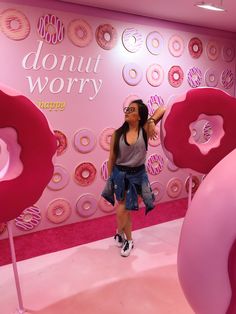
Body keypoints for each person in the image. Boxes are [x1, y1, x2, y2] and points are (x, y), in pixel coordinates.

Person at [102, 99, 165, 257]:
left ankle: (128, 239)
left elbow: (163, 109)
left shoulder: (144, 130)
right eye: (127, 109)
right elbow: (111, 158)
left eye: (132, 110)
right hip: (119, 174)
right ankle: (120, 232)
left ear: (139, 116)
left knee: (123, 210)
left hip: (137, 176)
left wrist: (151, 121)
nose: (127, 112)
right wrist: (111, 179)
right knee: (125, 210)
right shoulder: (118, 133)